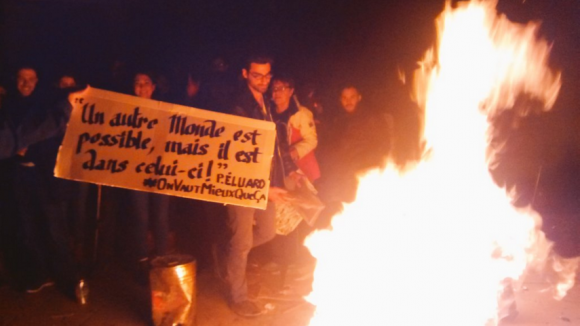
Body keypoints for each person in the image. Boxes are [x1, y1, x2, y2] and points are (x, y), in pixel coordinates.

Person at [0, 66, 79, 296]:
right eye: (21, 79)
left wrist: (27, 150)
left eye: (30, 79)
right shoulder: (8, 105)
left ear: (37, 81)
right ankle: (36, 275)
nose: (25, 84)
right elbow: (14, 140)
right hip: (18, 176)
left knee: (56, 229)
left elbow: (46, 139)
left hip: (45, 178)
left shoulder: (44, 105)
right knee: (27, 228)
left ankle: (69, 279)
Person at [223, 55, 289, 317]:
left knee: (268, 231)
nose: (263, 81)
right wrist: (264, 190)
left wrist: (285, 175)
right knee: (240, 243)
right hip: (242, 184)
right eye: (257, 75)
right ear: (244, 74)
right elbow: (239, 155)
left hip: (266, 180)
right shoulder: (238, 106)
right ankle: (238, 298)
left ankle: (225, 251)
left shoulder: (267, 104)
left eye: (267, 75)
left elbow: (272, 145)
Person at [127, 71, 170, 282]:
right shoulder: (125, 113)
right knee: (139, 217)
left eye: (146, 83)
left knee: (160, 217)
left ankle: (162, 260)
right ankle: (142, 261)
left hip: (160, 172)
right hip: (135, 173)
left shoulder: (165, 111)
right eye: (137, 83)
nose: (142, 88)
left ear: (153, 87)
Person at [271, 75, 320, 184]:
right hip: (280, 169)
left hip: (303, 168)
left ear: (291, 91)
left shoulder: (301, 114)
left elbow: (312, 140)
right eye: (274, 89)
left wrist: (295, 151)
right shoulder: (269, 114)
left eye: (282, 88)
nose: (277, 92)